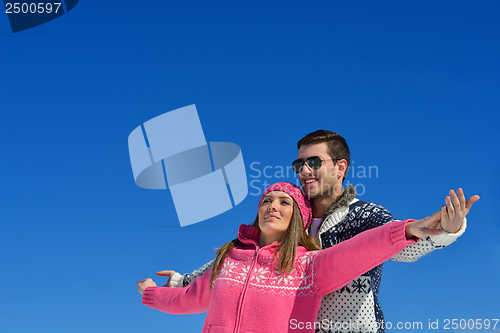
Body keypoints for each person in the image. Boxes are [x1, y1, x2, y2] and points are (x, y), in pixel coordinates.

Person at [160, 130, 480, 333]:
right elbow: (245, 261)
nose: (305, 171)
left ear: (340, 167)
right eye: (299, 165)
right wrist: (182, 281)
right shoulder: (290, 221)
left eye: (314, 162)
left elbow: (400, 245)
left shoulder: (362, 215)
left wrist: (445, 231)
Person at [137, 182, 461, 333]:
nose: (272, 206)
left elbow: (360, 251)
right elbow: (188, 299)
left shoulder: (308, 267)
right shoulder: (230, 258)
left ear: (298, 218)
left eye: (284, 202)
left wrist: (410, 229)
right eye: (266, 200)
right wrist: (152, 293)